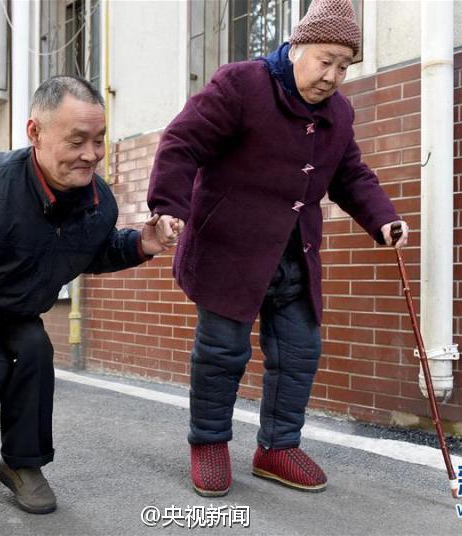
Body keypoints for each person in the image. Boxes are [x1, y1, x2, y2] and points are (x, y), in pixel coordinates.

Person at [147, 0, 408, 497]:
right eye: (325, 59)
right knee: (222, 352)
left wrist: (383, 219)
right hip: (229, 247)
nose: (332, 75)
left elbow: (349, 173)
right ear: (297, 47)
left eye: (344, 65)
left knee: (299, 352)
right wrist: (168, 205)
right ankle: (208, 444)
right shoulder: (242, 84)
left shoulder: (339, 112)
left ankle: (278, 447)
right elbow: (182, 142)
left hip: (294, 253)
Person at [0, 76, 179, 518]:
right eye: (77, 140)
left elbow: (92, 252)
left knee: (34, 351)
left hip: (16, 312)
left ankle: (21, 464)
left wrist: (142, 244)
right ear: (35, 133)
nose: (91, 154)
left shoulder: (98, 201)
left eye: (98, 140)